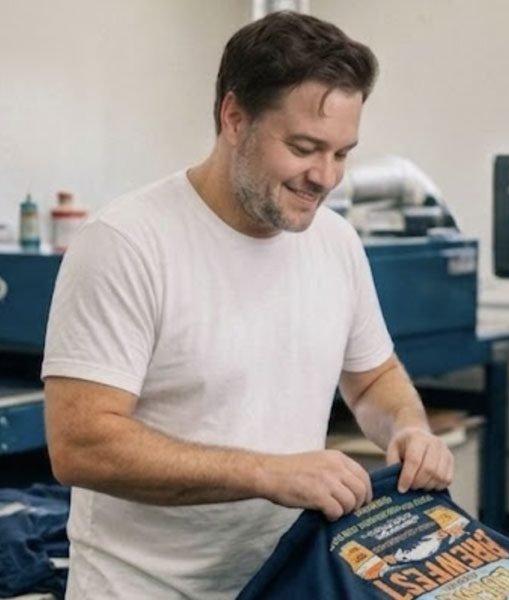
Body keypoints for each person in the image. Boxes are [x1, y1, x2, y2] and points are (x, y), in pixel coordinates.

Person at [42, 11, 454, 599]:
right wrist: (265, 472)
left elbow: (372, 378)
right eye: (305, 147)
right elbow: (81, 444)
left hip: (287, 580)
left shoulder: (335, 243)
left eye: (342, 153)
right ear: (234, 117)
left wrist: (410, 429)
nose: (326, 176)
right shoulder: (128, 243)